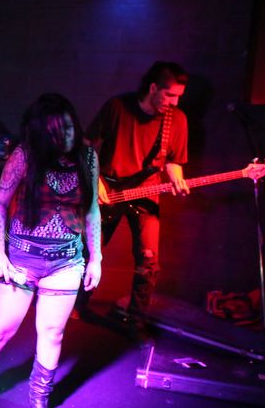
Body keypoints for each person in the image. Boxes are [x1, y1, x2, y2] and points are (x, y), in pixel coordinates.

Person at [0, 93, 101, 408]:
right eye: (56, 131)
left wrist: (97, 257)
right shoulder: (24, 155)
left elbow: (92, 208)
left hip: (66, 260)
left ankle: (39, 399)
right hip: (22, 257)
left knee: (52, 333)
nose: (66, 136)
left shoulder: (88, 155)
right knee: (1, 330)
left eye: (68, 127)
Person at [78, 61, 190, 338]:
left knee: (148, 262)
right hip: (109, 189)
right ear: (153, 88)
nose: (174, 102)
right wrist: (95, 180)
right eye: (169, 95)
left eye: (178, 96)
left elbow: (173, 162)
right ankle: (75, 305)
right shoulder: (117, 107)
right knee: (88, 252)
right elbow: (87, 145)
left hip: (146, 193)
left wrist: (177, 178)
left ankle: (136, 319)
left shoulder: (177, 119)